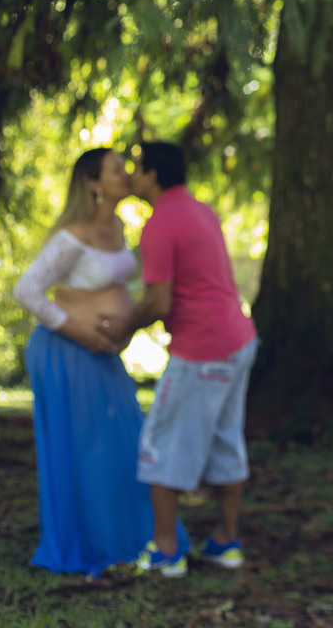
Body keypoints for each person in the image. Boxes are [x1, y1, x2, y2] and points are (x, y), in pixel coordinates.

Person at [104, 141, 258, 578]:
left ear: (153, 175)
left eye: (136, 168)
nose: (131, 175)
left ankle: (166, 552)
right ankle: (226, 544)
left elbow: (158, 299)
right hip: (239, 340)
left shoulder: (159, 223)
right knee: (227, 441)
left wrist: (123, 329)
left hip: (202, 349)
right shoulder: (200, 210)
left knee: (162, 445)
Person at [13, 147, 158, 578]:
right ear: (94, 184)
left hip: (101, 354)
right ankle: (87, 542)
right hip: (65, 353)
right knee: (86, 448)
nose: (126, 175)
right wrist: (75, 329)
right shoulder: (72, 235)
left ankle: (125, 538)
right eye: (117, 170)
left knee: (121, 442)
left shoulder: (118, 226)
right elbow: (27, 290)